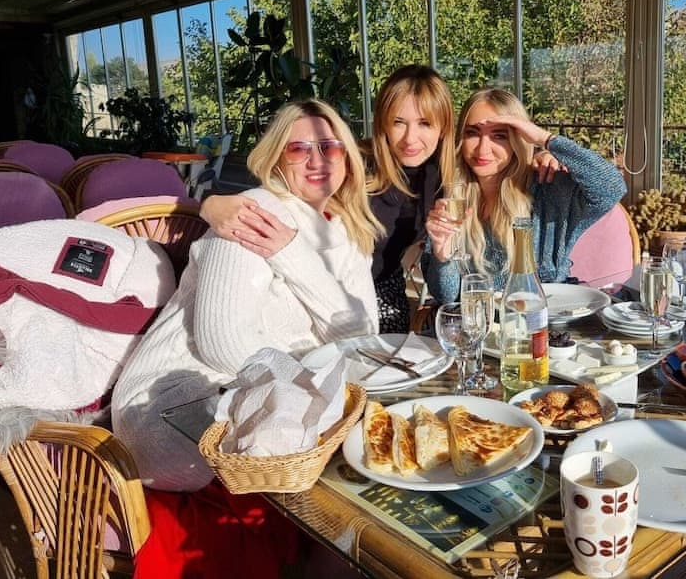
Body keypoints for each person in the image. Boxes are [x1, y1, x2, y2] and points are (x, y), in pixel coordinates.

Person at [113, 98, 380, 493]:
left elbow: (362, 334)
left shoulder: (347, 229)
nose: (316, 160)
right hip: (173, 407)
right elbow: (222, 343)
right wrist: (316, 389)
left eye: (329, 147)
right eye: (298, 148)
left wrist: (292, 254)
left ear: (347, 156)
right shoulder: (253, 214)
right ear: (277, 160)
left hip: (276, 401)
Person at [201, 65, 457, 332]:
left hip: (386, 289)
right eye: (398, 122)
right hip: (320, 288)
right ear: (383, 122)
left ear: (443, 127)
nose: (410, 138)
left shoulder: (441, 178)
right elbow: (280, 193)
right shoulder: (354, 163)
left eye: (424, 123)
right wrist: (208, 205)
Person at [424, 87, 626, 303]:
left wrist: (546, 139)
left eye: (499, 136)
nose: (483, 149)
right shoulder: (451, 197)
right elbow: (447, 296)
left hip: (545, 318)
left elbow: (612, 188)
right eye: (472, 133)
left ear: (517, 140)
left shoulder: (548, 189)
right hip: (482, 321)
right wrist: (442, 257)